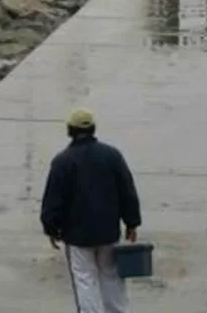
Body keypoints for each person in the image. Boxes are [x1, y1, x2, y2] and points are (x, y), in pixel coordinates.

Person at [40, 108, 141, 313]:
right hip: (108, 232)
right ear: (93, 129)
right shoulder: (112, 156)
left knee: (85, 280)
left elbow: (53, 199)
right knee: (111, 277)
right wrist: (132, 222)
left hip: (77, 236)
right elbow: (127, 190)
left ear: (70, 131)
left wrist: (51, 228)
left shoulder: (62, 161)